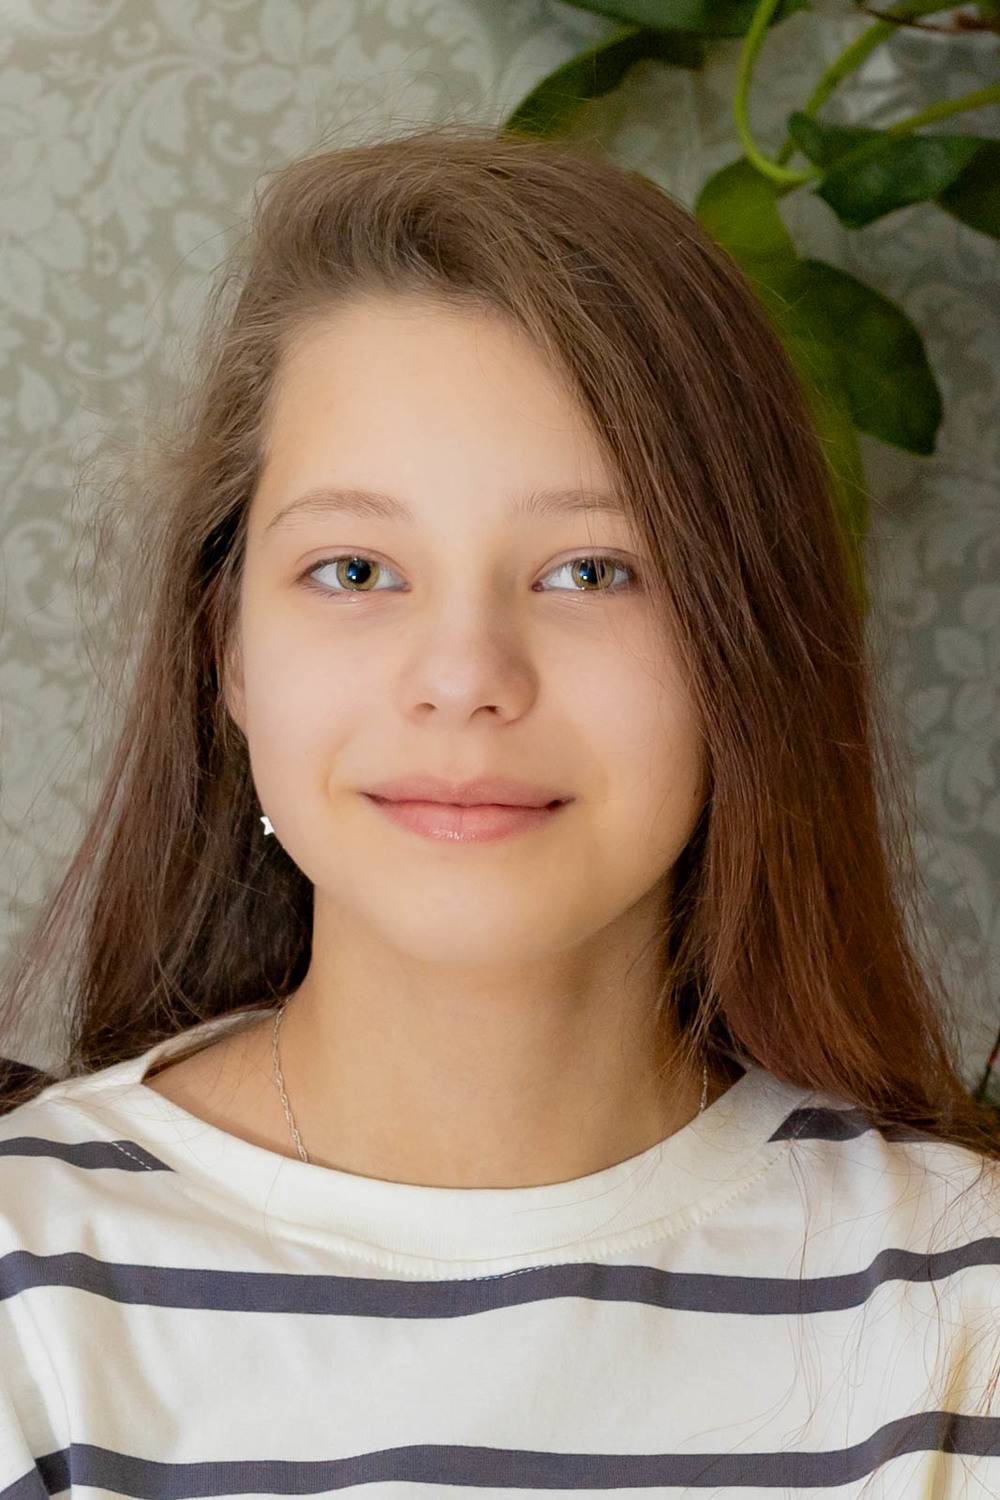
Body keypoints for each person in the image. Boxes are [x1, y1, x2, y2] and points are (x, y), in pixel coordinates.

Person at [0, 122, 997, 1496]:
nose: (465, 677)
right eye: (356, 570)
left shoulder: (965, 1310)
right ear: (226, 650)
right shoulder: (30, 1299)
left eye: (591, 571)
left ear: (746, 646)